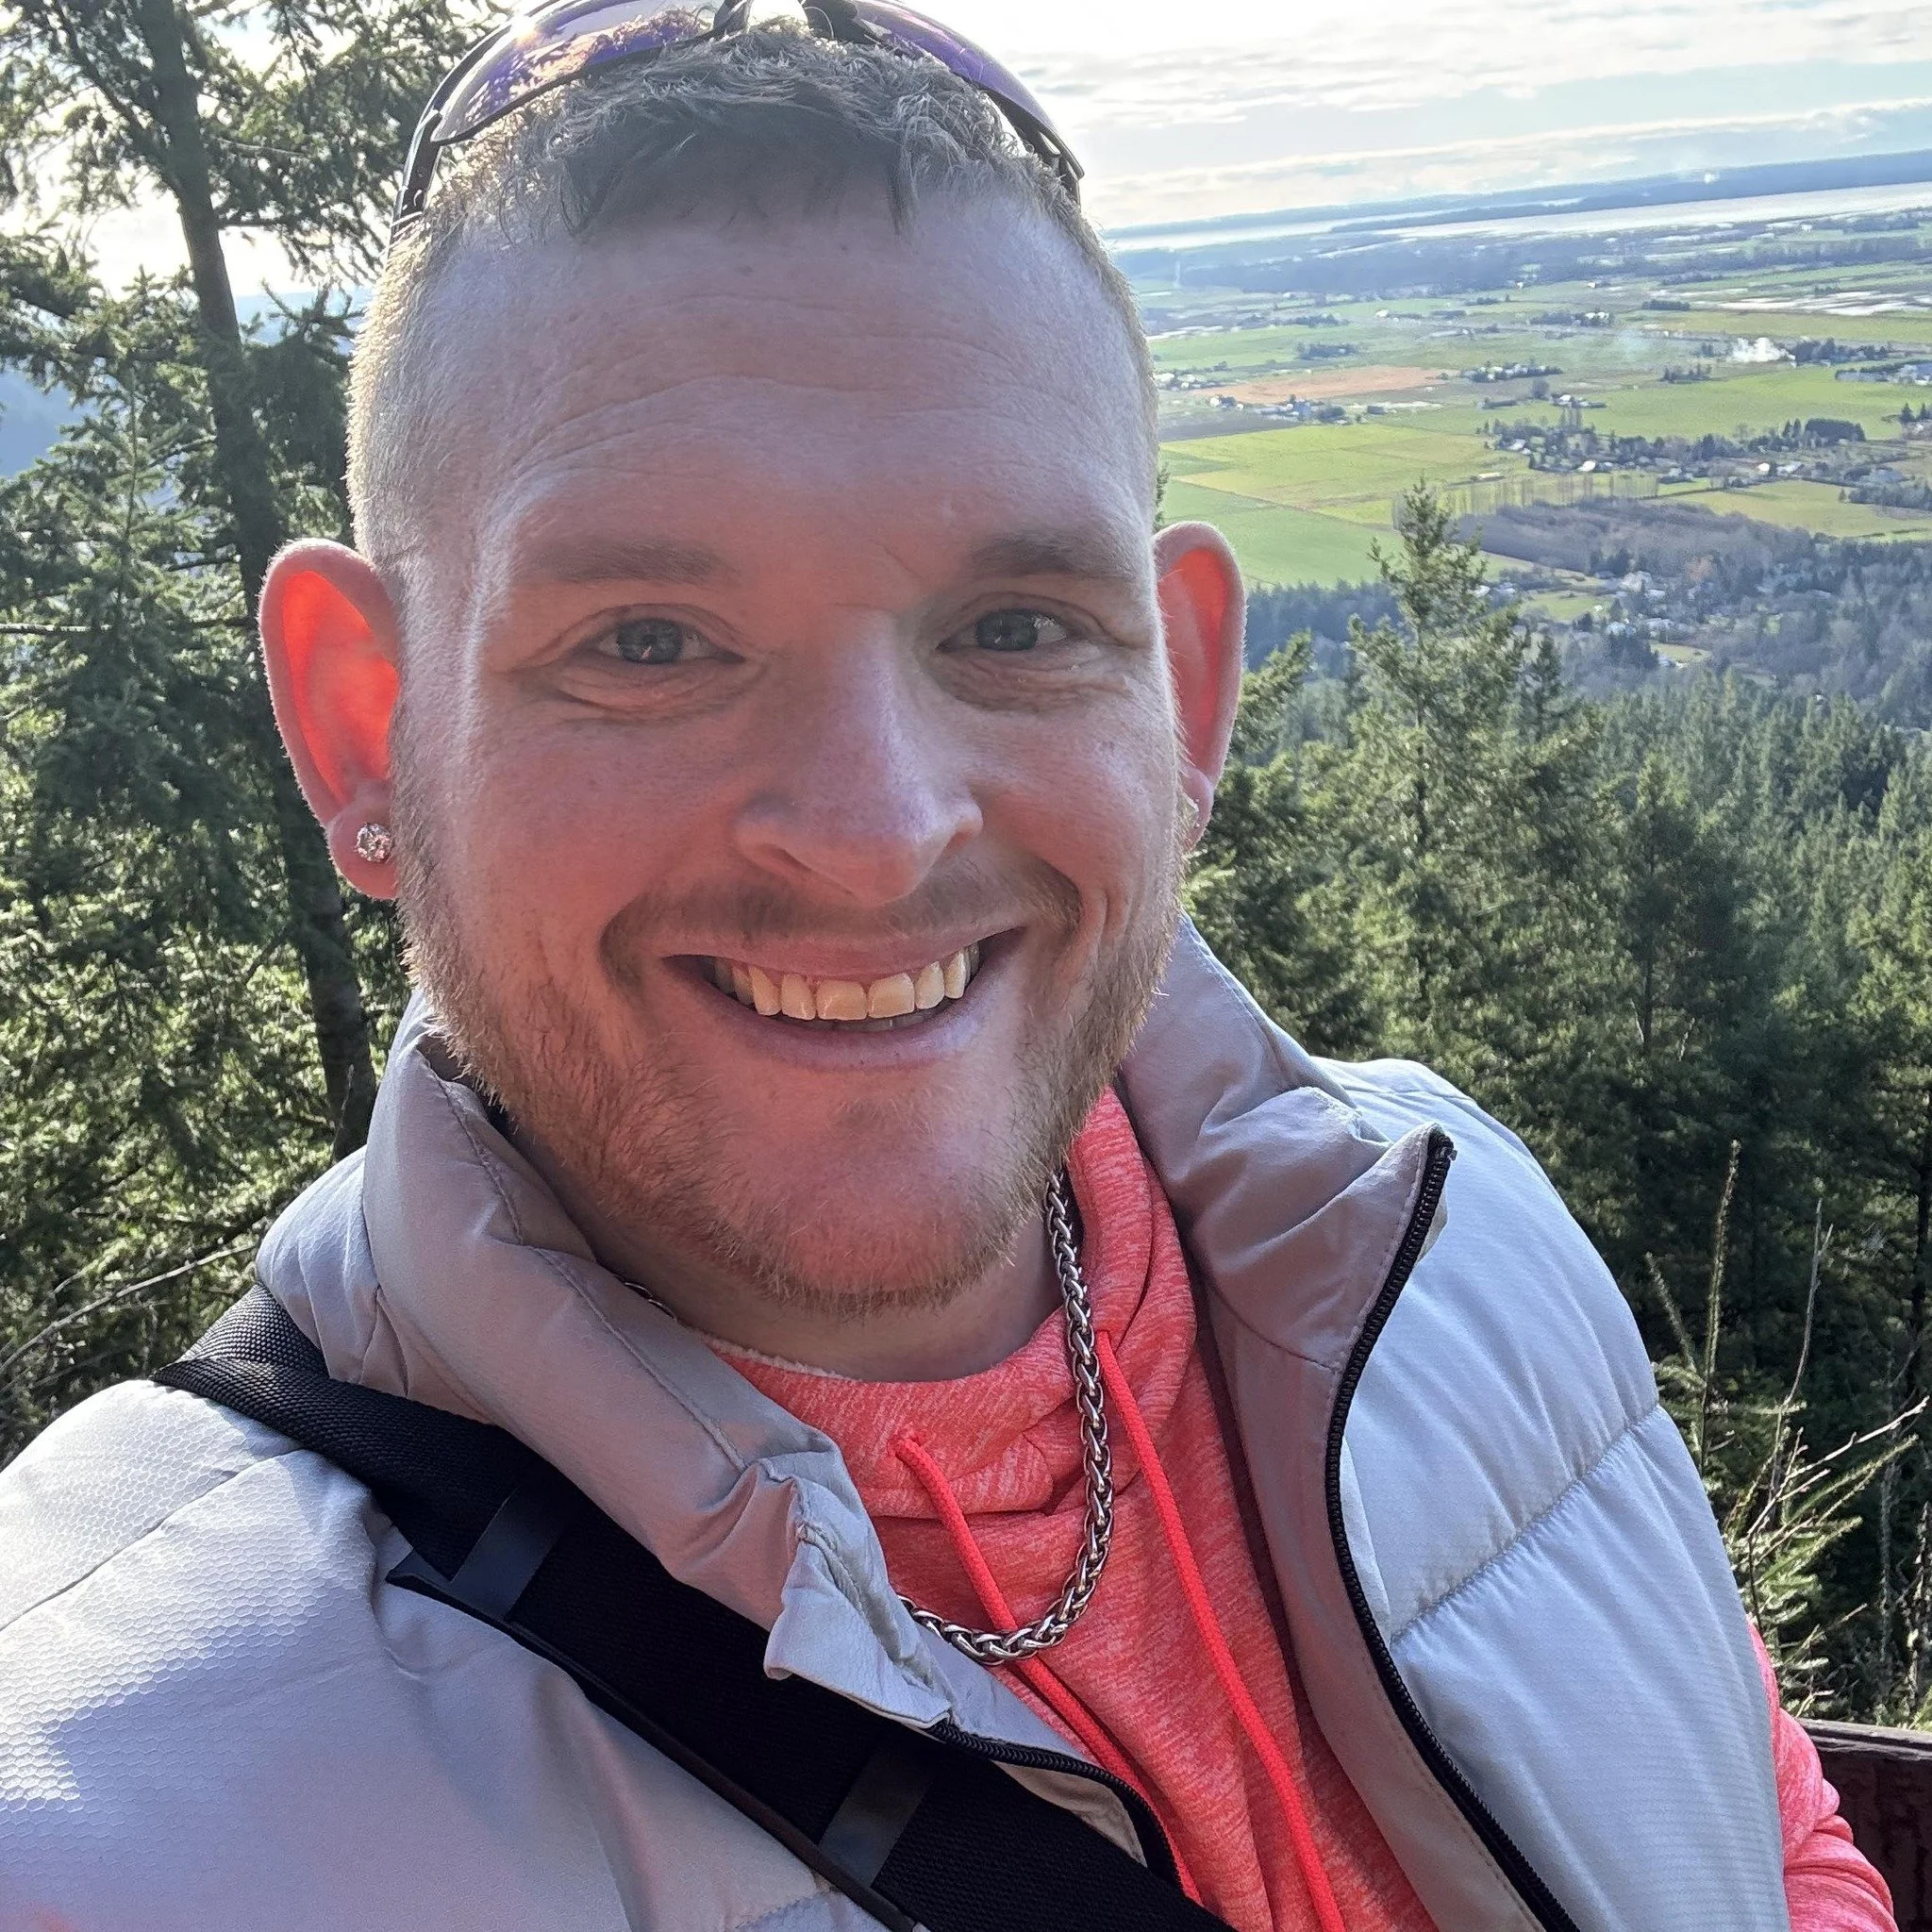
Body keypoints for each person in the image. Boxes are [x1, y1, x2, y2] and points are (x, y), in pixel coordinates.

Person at [0, 5, 1898, 1928]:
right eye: (648, 643)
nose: (877, 829)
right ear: (363, 724)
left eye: (1012, 626)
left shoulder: (1447, 1238)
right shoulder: (101, 1810)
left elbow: (1767, 1838)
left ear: (1184, 697)